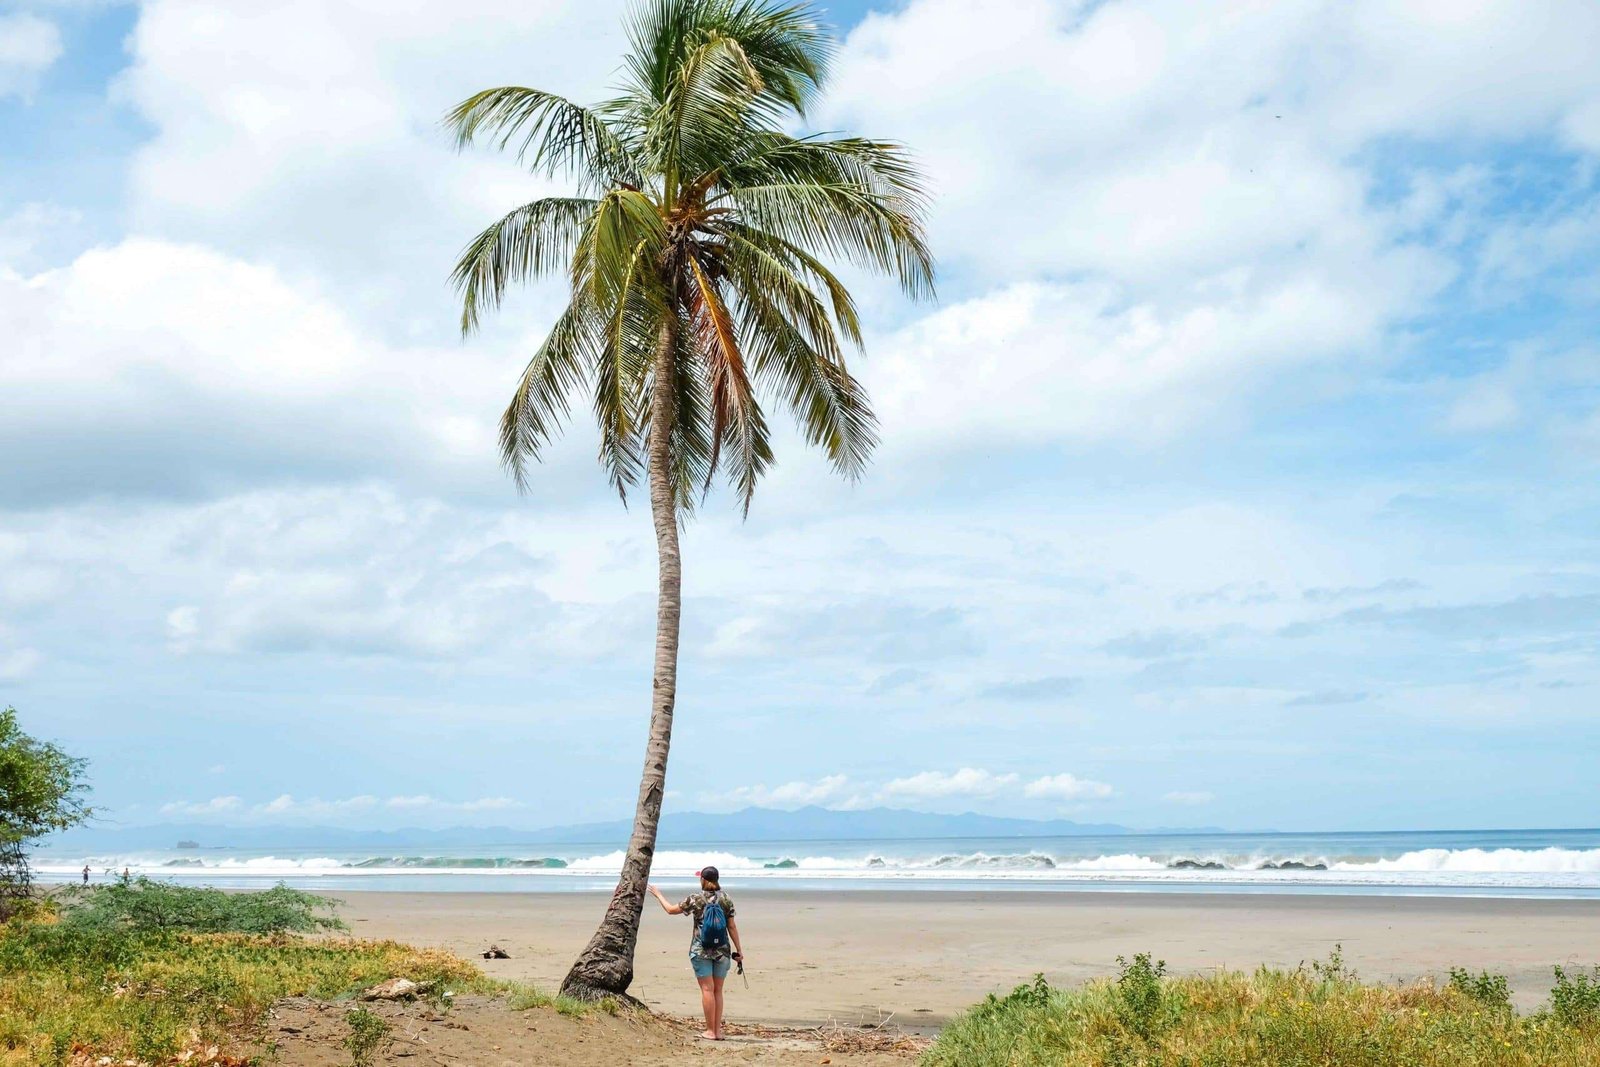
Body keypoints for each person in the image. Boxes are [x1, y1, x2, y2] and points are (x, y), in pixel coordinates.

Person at [648, 865, 744, 1041]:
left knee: (707, 989)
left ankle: (710, 1031)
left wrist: (658, 894)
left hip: (701, 950)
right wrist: (739, 950)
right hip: (723, 951)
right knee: (718, 991)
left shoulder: (695, 899)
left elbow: (670, 910)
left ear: (703, 880)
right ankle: (718, 1032)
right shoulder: (726, 899)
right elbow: (732, 926)